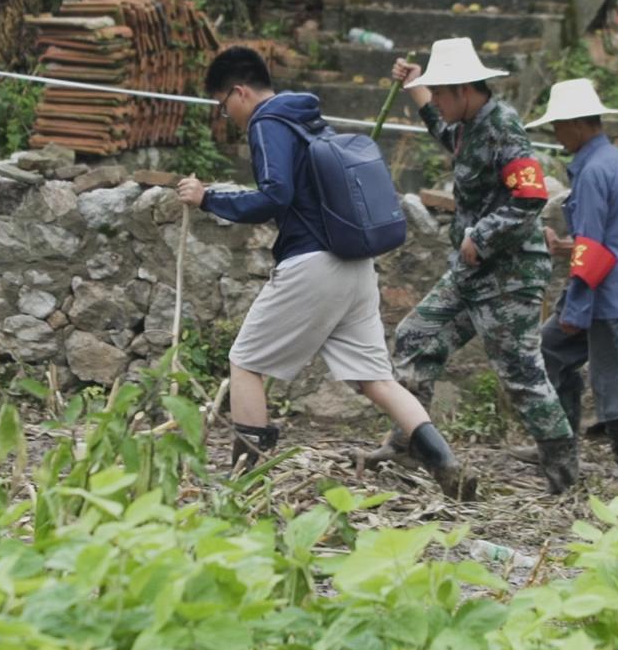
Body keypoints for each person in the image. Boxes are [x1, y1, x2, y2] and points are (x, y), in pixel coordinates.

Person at [174, 46, 475, 499]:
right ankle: (446, 463)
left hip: (312, 262)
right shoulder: (307, 117)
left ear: (239, 92)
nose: (227, 116)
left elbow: (275, 196)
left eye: (224, 105)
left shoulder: (268, 121)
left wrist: (208, 197)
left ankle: (244, 479)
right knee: (375, 378)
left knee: (246, 362)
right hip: (355, 265)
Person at [373, 38, 581, 497]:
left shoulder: (504, 127)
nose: (439, 103)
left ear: (465, 90)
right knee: (416, 336)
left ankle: (566, 478)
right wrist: (414, 88)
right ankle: (408, 443)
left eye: (441, 94)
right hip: (471, 274)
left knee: (521, 374)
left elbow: (531, 196)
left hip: (509, 276)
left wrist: (482, 235)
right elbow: (444, 132)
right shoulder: (466, 125)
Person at [528, 79, 618, 485]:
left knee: (617, 378)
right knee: (550, 352)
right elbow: (598, 239)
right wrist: (568, 247)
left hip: (604, 293)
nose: (556, 136)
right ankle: (558, 442)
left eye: (558, 128)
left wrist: (577, 309)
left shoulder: (595, 171)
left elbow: (596, 246)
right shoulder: (610, 163)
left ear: (576, 125)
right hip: (600, 284)